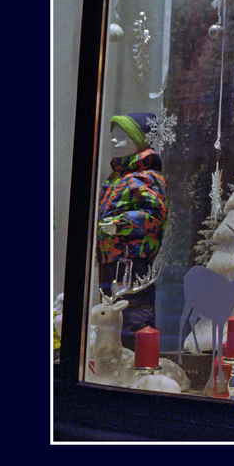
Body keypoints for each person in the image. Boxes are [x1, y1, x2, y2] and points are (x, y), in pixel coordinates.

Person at [96, 112, 167, 351]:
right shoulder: (115, 178)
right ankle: (113, 362)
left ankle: (137, 363)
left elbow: (155, 216)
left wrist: (121, 223)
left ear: (140, 140)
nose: (113, 141)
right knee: (109, 317)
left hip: (132, 260)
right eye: (113, 136)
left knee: (134, 316)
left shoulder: (147, 177)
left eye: (122, 136)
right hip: (110, 259)